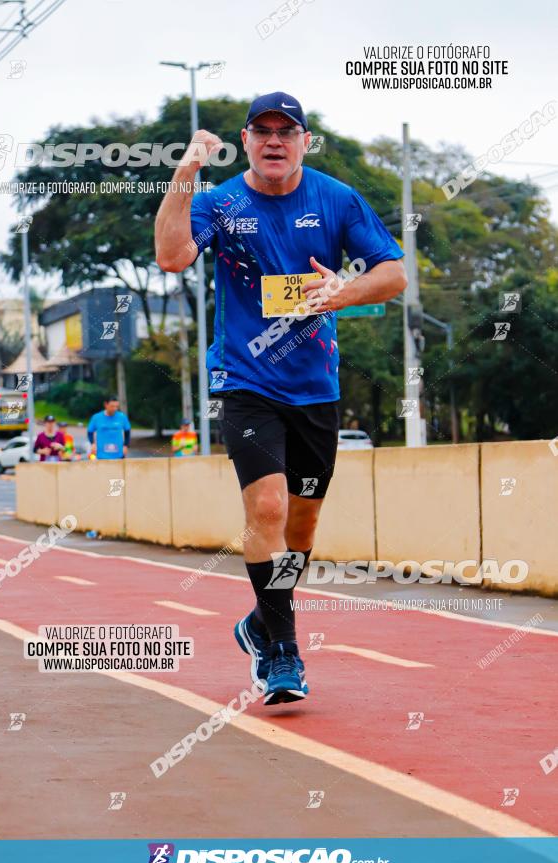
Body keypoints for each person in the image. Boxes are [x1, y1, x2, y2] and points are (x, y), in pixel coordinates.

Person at [155, 91, 406, 705]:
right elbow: (170, 257)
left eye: (285, 131)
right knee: (267, 507)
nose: (274, 141)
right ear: (245, 141)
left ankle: (262, 620)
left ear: (304, 141)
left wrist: (343, 293)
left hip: (315, 388)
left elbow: (393, 273)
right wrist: (186, 173)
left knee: (303, 522)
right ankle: (283, 652)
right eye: (262, 130)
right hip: (243, 383)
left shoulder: (336, 198)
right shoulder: (220, 202)